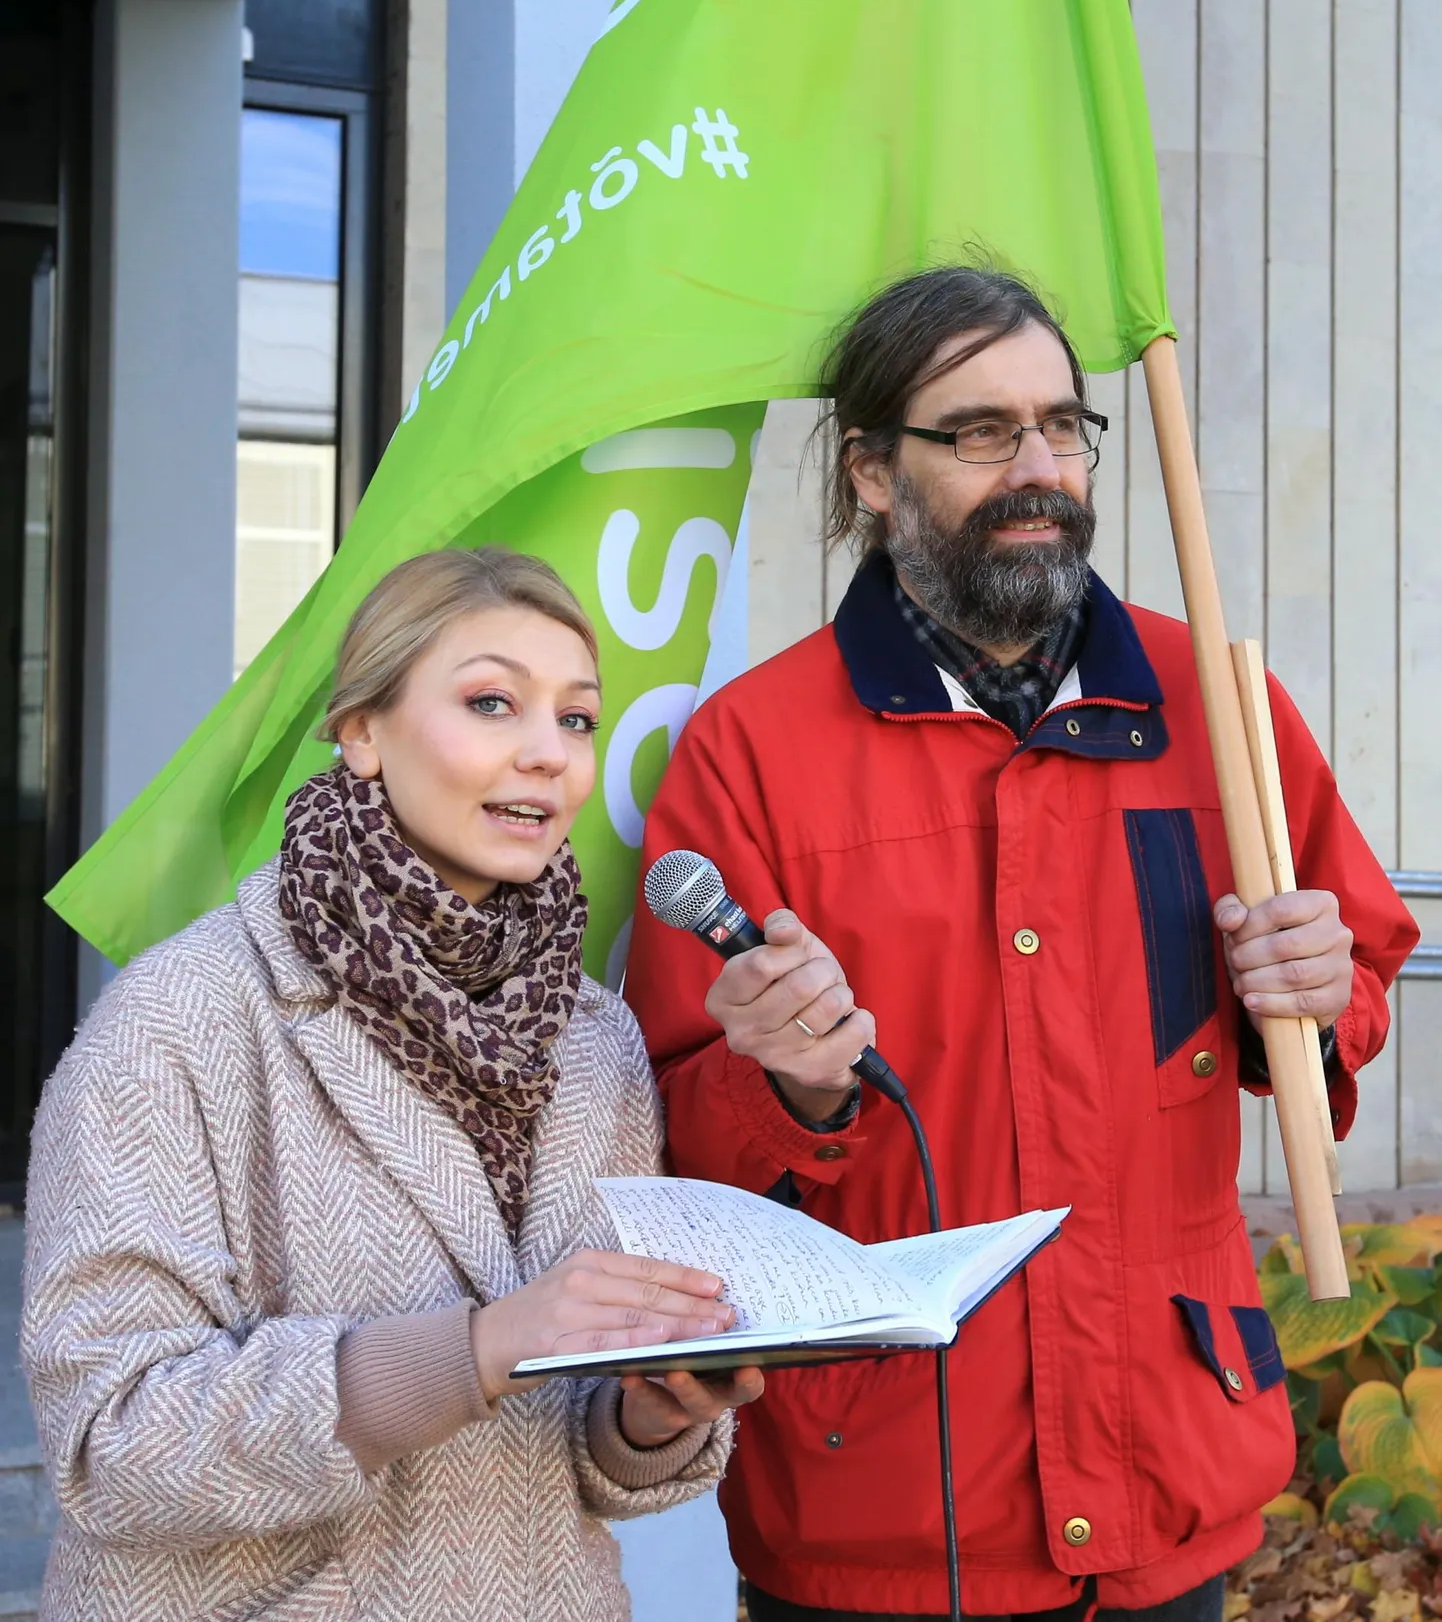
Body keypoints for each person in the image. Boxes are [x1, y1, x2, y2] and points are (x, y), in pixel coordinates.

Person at [624, 268, 1417, 1622]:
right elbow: (670, 1124)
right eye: (983, 430)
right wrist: (788, 1085)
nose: (1039, 466)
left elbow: (1350, 969)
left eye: (1062, 423)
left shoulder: (1214, 706)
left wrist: (1316, 985)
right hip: (885, 1499)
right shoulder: (751, 751)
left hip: (1173, 1473)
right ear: (872, 469)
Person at [22, 546, 761, 1622]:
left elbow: (583, 1464)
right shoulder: (178, 1020)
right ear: (360, 731)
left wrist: (649, 1413)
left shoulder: (593, 1037)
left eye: (576, 719)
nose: (546, 754)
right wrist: (469, 1352)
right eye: (492, 702)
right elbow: (109, 1438)